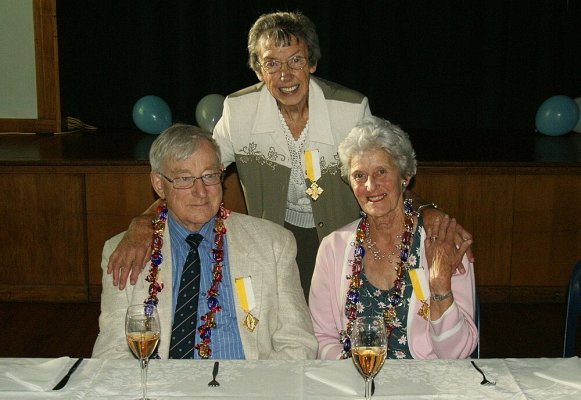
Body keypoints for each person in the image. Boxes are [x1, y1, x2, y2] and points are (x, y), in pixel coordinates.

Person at [107, 11, 473, 300]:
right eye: (271, 63)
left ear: (312, 63)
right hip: (273, 237)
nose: (285, 75)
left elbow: (384, 179)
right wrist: (143, 223)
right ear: (257, 69)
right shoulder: (240, 111)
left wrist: (426, 209)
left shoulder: (349, 109)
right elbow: (193, 175)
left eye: (295, 60)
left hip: (343, 235)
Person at [92, 123, 317, 360]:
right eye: (184, 179)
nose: (201, 192)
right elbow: (112, 352)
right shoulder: (125, 252)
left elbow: (298, 344)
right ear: (159, 185)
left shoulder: (272, 244)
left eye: (209, 176)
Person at [309, 116, 477, 360]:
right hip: (355, 383)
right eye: (359, 175)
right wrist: (350, 377)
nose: (370, 185)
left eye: (381, 172)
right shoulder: (333, 247)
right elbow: (322, 336)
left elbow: (457, 353)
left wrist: (440, 288)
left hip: (426, 385)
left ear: (405, 177)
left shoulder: (443, 242)